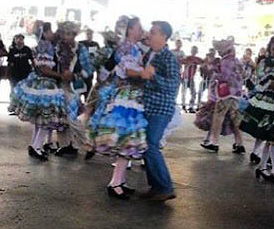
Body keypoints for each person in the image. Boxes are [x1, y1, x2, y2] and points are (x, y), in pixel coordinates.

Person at [87, 16, 148, 199]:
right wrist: (146, 73)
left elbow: (108, 70)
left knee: (127, 140)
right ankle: (115, 183)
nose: (141, 31)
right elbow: (129, 71)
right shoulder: (128, 47)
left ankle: (119, 181)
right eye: (138, 28)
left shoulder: (132, 47)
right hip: (126, 98)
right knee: (126, 140)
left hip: (129, 96)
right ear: (130, 30)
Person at [9, 22, 68, 161]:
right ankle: (36, 147)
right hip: (45, 84)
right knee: (47, 119)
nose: (53, 34)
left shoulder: (41, 45)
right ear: (46, 32)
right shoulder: (46, 46)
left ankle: (35, 145)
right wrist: (60, 76)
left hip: (39, 82)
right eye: (51, 31)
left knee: (40, 119)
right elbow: (43, 68)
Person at [139, 21, 180, 202]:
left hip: (160, 108)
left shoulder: (168, 58)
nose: (150, 35)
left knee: (151, 145)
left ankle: (165, 186)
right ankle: (156, 186)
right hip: (149, 105)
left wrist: (153, 76)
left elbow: (173, 85)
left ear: (164, 36)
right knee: (146, 145)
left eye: (153, 32)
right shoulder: (151, 54)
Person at [240, 36, 274, 183]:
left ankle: (263, 167)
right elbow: (260, 82)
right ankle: (273, 170)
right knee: (272, 137)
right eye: (273, 49)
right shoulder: (263, 63)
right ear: (269, 51)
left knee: (273, 138)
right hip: (267, 103)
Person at [52, 21, 93, 157]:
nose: (65, 36)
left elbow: (89, 70)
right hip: (59, 85)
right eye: (63, 33)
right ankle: (69, 145)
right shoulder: (58, 47)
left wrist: (74, 75)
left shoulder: (81, 49)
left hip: (73, 87)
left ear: (74, 35)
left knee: (71, 118)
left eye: (68, 33)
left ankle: (88, 144)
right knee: (62, 118)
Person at [200, 38, 246, 154]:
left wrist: (213, 70)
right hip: (237, 93)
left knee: (218, 117)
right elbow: (244, 75)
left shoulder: (225, 62)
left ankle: (214, 142)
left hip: (226, 93)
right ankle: (239, 143)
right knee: (234, 118)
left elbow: (223, 77)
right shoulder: (237, 61)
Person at [79, 28, 100, 100]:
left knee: (89, 86)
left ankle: (87, 100)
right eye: (87, 34)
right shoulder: (81, 43)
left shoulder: (95, 44)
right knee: (80, 87)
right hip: (82, 68)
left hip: (91, 68)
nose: (89, 35)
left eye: (90, 34)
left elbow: (99, 55)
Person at [180, 46, 203, 113]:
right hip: (185, 77)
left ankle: (191, 106)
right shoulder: (188, 57)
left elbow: (203, 62)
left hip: (191, 78)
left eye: (195, 50)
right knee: (184, 92)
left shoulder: (197, 59)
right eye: (193, 50)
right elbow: (182, 61)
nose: (194, 51)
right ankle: (183, 105)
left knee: (193, 93)